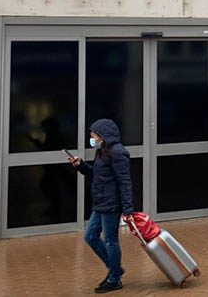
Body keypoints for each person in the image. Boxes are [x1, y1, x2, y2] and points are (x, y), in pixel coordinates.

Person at [68, 118, 133, 294]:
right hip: (100, 202)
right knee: (90, 236)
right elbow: (96, 175)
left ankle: (114, 279)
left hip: (111, 204)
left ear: (103, 135)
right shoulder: (102, 152)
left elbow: (124, 182)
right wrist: (80, 165)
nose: (92, 138)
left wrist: (127, 209)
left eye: (94, 135)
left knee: (111, 242)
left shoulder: (118, 153)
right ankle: (115, 269)